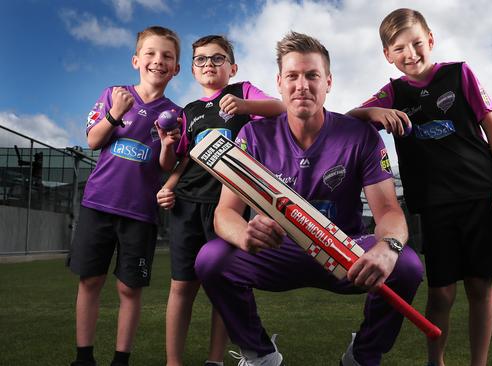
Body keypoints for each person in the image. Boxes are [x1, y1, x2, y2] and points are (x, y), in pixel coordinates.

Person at [193, 31, 424, 366]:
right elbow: (225, 213)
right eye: (293, 76)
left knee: (407, 265)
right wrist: (244, 234)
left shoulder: (359, 135)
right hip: (278, 251)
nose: (302, 85)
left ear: (328, 82)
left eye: (312, 75)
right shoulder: (253, 136)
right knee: (210, 259)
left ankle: (362, 356)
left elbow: (388, 209)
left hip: (345, 250)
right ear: (280, 83)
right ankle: (259, 354)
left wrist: (388, 247)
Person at [347, 8, 492, 366]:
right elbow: (349, 121)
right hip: (435, 206)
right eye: (399, 48)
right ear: (387, 56)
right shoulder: (392, 93)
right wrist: (373, 113)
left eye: (416, 43)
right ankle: (434, 362)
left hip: (481, 196)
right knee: (441, 292)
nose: (410, 53)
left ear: (430, 40)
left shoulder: (459, 73)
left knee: (480, 287)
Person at [156, 35, 285, 366]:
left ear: (232, 66)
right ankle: (173, 361)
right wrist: (169, 179)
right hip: (187, 202)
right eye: (201, 59)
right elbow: (182, 160)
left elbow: (279, 108)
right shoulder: (189, 111)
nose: (209, 65)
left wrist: (245, 107)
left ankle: (215, 361)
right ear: (193, 69)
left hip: (230, 206)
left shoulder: (242, 91)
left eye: (217, 58)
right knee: (181, 286)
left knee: (223, 285)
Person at [67, 26, 181, 366]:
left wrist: (166, 144)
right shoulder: (113, 94)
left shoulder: (175, 114)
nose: (158, 61)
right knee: (91, 280)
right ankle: (84, 357)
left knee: (129, 289)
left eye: (167, 56)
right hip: (98, 203)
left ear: (175, 68)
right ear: (136, 60)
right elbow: (92, 140)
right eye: (150, 53)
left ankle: (121, 360)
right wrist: (115, 112)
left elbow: (167, 165)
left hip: (140, 212)